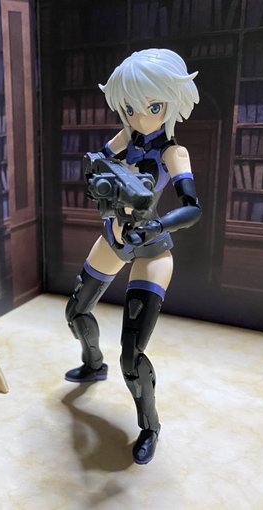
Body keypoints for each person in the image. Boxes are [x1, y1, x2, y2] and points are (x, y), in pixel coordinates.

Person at [64, 48, 202, 465]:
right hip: (115, 237)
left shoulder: (173, 154)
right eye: (130, 108)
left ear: (171, 104)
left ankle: (150, 427)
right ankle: (93, 363)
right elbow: (97, 163)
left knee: (132, 355)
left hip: (151, 249)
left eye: (153, 107)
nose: (140, 117)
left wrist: (155, 227)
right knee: (76, 311)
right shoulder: (125, 139)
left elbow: (192, 208)